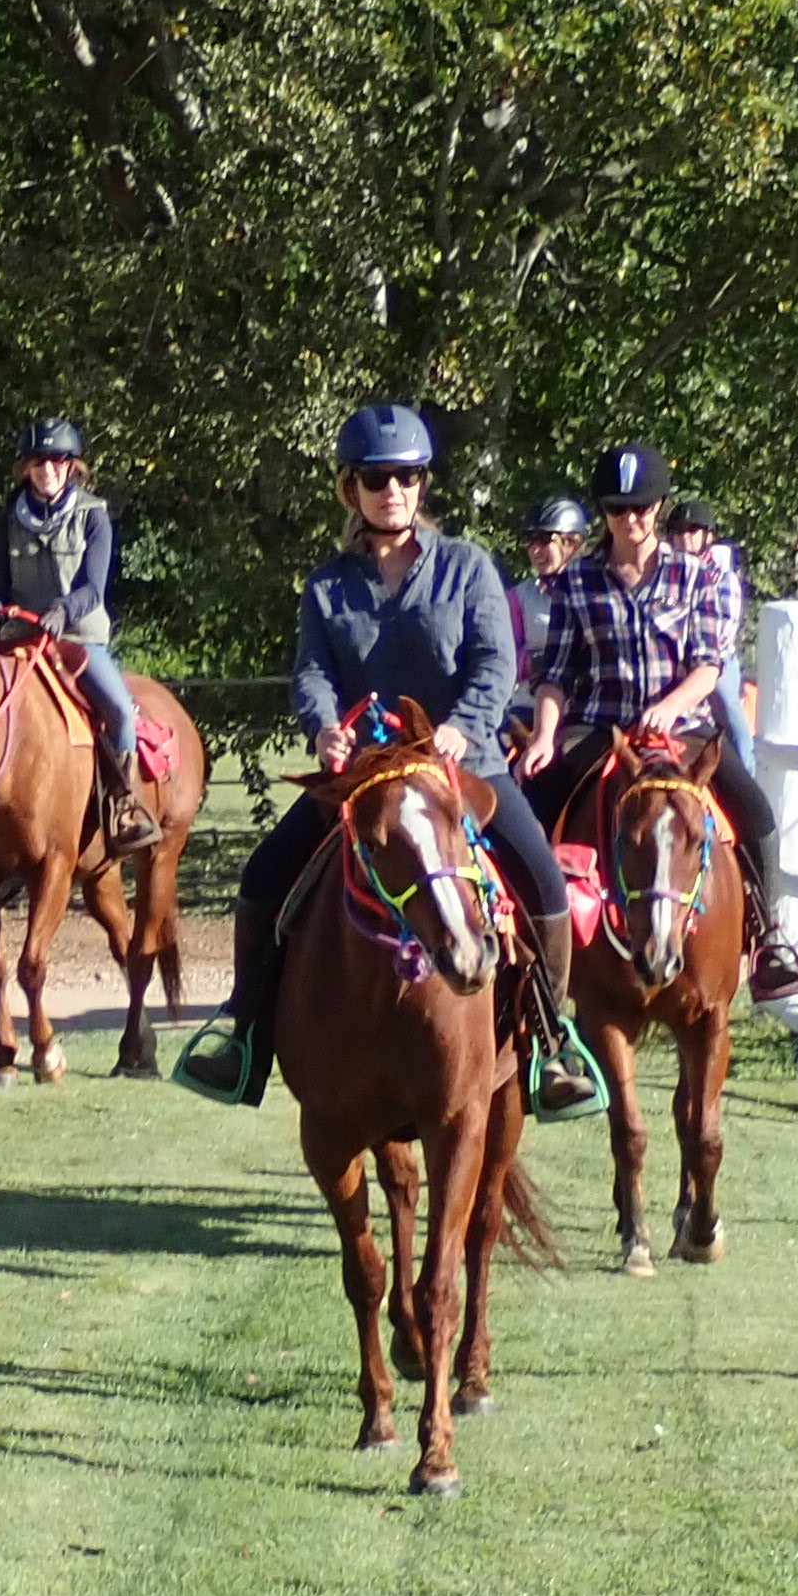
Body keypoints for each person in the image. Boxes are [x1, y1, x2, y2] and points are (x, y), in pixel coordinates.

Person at [188, 402, 603, 1117]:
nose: (393, 491)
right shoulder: (327, 586)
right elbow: (313, 671)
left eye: (407, 477)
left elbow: (495, 662)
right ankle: (244, 1030)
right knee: (263, 874)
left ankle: (551, 1036)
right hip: (367, 775)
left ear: (423, 485)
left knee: (541, 877)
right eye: (377, 479)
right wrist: (324, 728)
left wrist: (463, 726)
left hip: (464, 765)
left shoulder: (467, 567)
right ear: (351, 489)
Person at [518, 445, 798, 1003]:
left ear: (659, 508)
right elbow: (555, 674)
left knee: (754, 810)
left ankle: (768, 937)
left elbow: (709, 665)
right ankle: (530, 952)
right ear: (603, 513)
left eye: (642, 508)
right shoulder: (576, 581)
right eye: (618, 509)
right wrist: (546, 735)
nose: (631, 520)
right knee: (531, 805)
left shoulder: (695, 576)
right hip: (600, 727)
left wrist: (672, 705)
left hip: (683, 728)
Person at [0, 416, 159, 852]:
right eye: (39, 461)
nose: (48, 469)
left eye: (57, 460)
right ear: (25, 468)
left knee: (120, 709)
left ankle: (124, 807)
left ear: (72, 465)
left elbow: (94, 587)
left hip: (78, 638)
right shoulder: (6, 521)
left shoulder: (94, 516)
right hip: (20, 639)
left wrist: (63, 610)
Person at [662, 496, 760, 771]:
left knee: (730, 716)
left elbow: (724, 631)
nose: (685, 538)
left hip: (716, 661)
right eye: (678, 531)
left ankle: (746, 774)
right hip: (674, 659)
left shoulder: (723, 577)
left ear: (708, 536)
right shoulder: (665, 574)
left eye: (693, 530)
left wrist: (697, 662)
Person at [512, 495, 587, 683]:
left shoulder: (599, 591)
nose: (535, 551)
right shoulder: (518, 598)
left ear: (572, 542)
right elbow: (500, 661)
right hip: (534, 698)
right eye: (530, 541)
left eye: (545, 540)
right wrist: (538, 661)